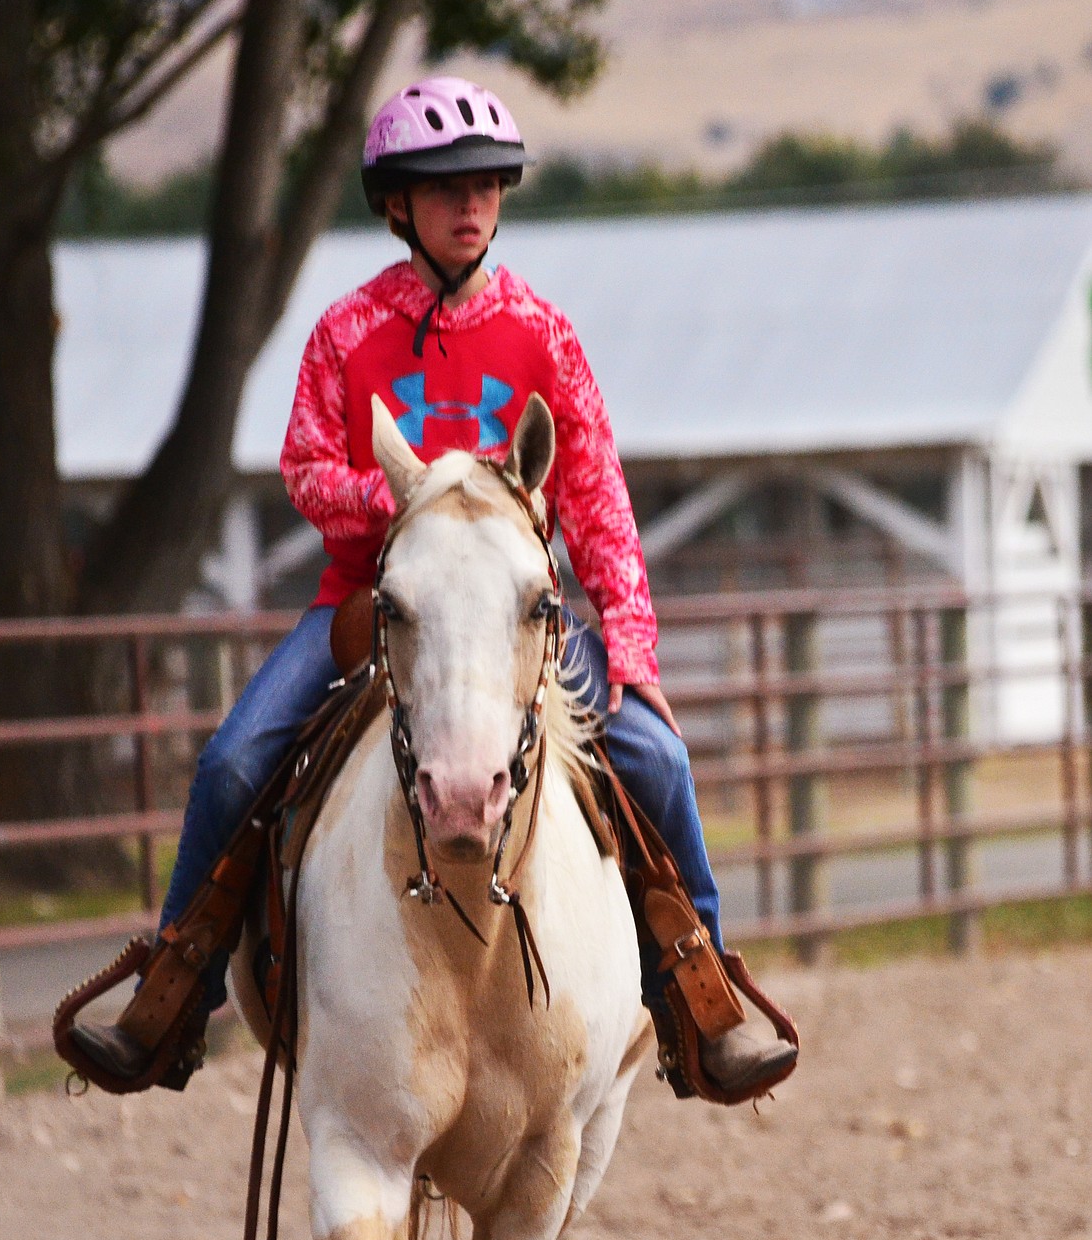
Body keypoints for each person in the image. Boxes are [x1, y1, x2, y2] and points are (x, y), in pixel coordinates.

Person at [72, 75, 795, 1100]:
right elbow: (305, 467)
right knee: (234, 763)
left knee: (658, 761)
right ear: (396, 205)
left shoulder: (545, 336)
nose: (472, 205)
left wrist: (630, 649)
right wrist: (409, 500)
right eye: (446, 187)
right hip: (369, 608)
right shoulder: (344, 332)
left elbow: (596, 499)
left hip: (514, 617)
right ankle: (174, 993)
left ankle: (703, 995)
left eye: (490, 185)